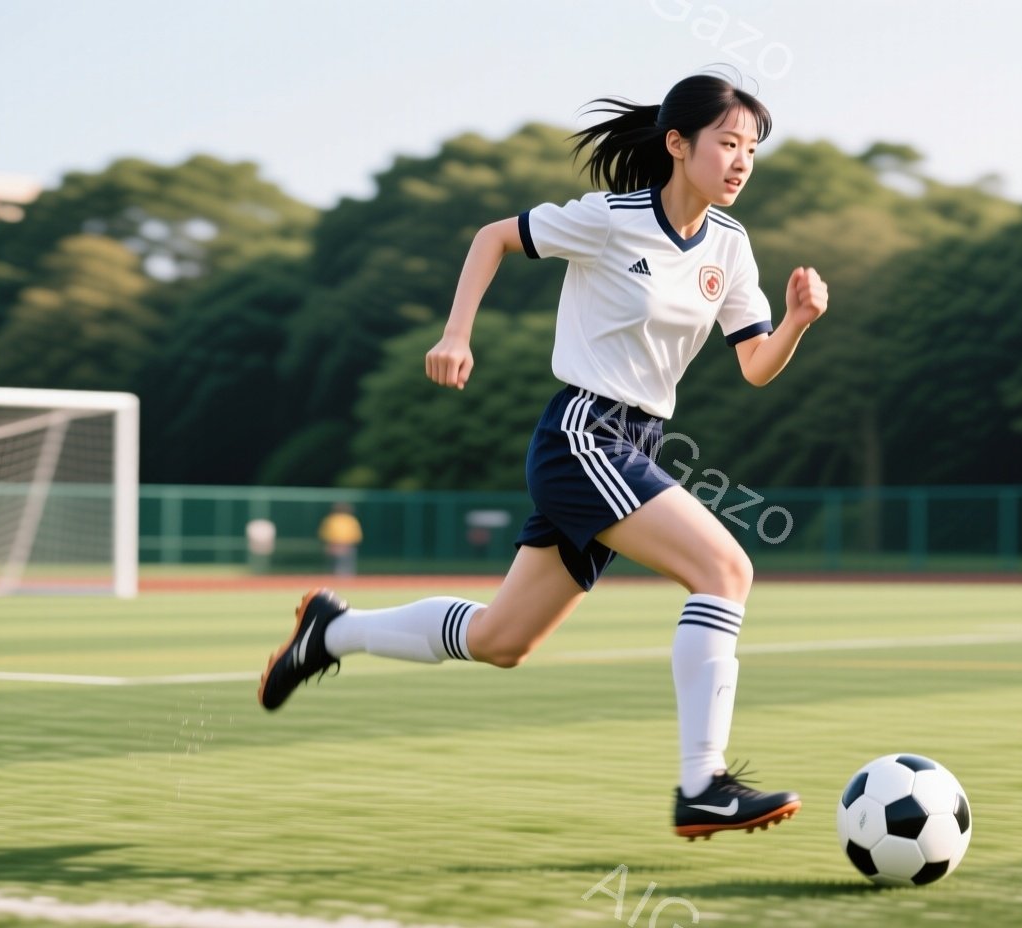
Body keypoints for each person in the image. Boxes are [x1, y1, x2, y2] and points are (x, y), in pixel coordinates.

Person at [258, 73, 828, 841]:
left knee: (502, 642)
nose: (740, 162)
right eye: (727, 143)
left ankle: (330, 631)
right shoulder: (611, 220)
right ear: (676, 143)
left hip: (636, 442)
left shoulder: (730, 245)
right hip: (582, 435)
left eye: (751, 150)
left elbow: (756, 365)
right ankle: (704, 783)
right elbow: (493, 235)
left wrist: (793, 322)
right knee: (725, 571)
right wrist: (457, 333)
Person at [318, 502, 362, 577]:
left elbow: (324, 533)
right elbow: (356, 535)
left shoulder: (332, 519)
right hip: (340, 545)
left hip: (342, 545)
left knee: (341, 566)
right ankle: (341, 578)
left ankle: (342, 578)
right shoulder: (349, 519)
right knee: (338, 566)